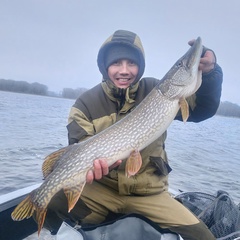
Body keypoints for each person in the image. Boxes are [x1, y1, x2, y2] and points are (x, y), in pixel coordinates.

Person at [45, 30, 223, 240]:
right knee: (52, 201)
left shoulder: (158, 90)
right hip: (103, 190)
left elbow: (203, 109)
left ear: (140, 66)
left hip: (149, 193)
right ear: (104, 66)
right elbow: (78, 147)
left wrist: (211, 73)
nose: (124, 70)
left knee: (202, 236)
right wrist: (97, 167)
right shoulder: (85, 103)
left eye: (131, 63)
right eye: (116, 63)